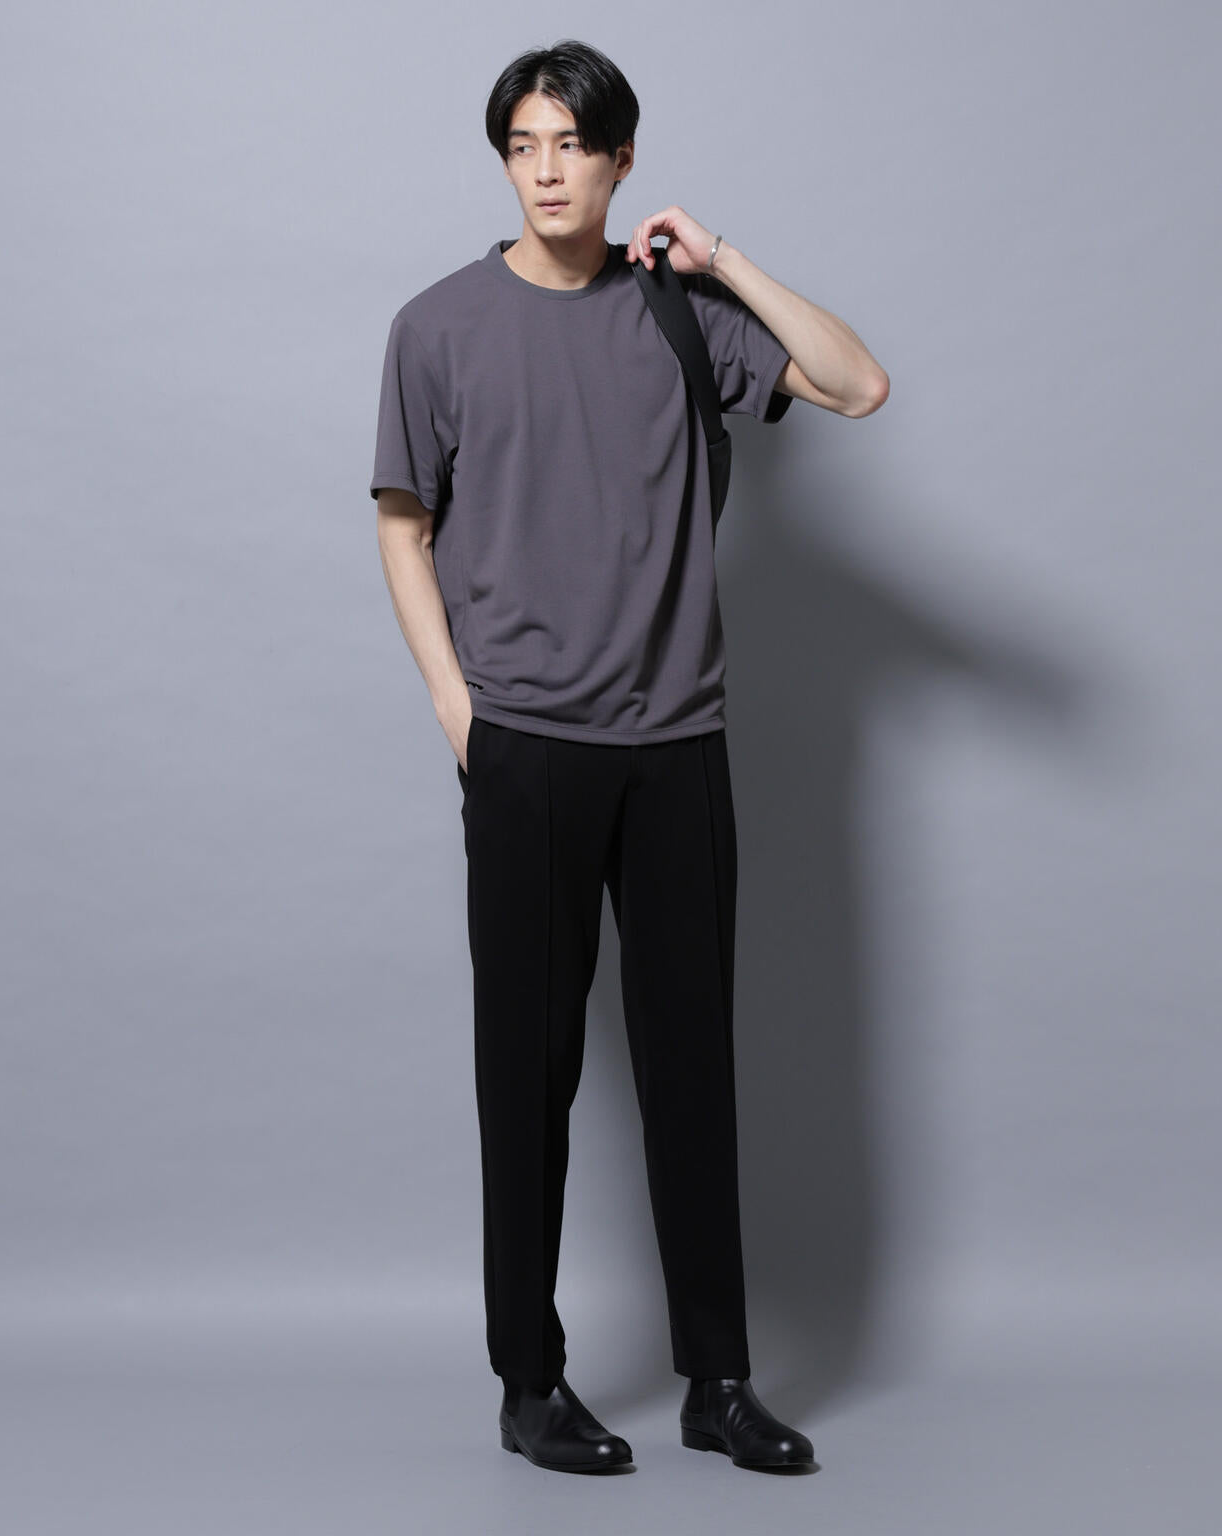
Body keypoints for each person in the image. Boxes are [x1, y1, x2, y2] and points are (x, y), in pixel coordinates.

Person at [371, 39, 888, 1475]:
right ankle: (529, 1383)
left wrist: (723, 259)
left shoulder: (681, 314)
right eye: (523, 146)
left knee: (692, 1071)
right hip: (528, 751)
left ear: (621, 161)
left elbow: (857, 385)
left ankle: (718, 1381)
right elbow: (403, 524)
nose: (546, 172)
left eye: (572, 145)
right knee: (526, 1076)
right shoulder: (436, 327)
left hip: (677, 748)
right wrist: (458, 709)